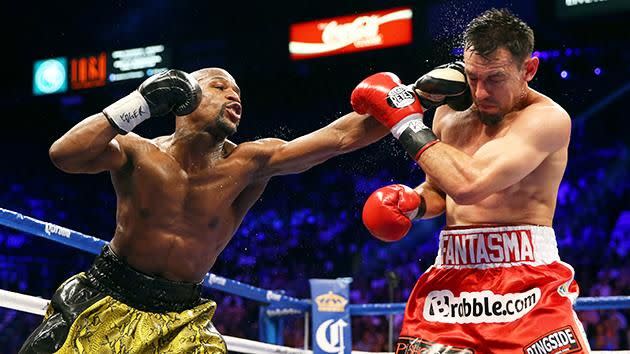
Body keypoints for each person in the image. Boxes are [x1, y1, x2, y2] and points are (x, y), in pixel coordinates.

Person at [20, 68, 389, 353]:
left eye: (238, 92)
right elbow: (64, 155)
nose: (234, 95)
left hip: (182, 317)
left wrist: (409, 100)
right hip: (105, 297)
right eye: (219, 86)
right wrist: (139, 103)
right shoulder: (138, 152)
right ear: (185, 96)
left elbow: (340, 138)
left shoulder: (250, 162)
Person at [352, 8, 591, 353]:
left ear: (529, 69)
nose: (480, 93)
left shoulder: (547, 119)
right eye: (473, 77)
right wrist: (414, 204)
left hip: (527, 283)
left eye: (494, 79)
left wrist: (404, 122)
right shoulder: (448, 114)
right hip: (451, 283)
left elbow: (469, 185)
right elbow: (441, 187)